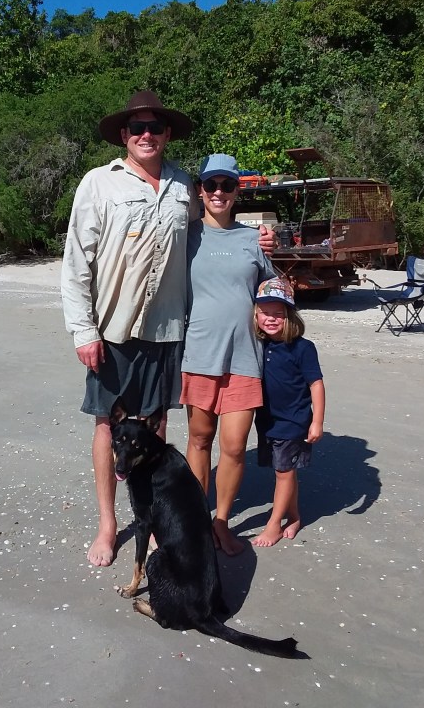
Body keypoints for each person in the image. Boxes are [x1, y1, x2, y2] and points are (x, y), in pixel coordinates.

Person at [61, 91, 275, 567]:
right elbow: (76, 262)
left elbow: (215, 225)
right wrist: (83, 330)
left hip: (168, 329)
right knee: (108, 424)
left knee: (156, 427)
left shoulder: (183, 186)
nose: (146, 135)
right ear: (124, 135)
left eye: (155, 127)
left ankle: (157, 519)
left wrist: (257, 235)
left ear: (167, 134)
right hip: (113, 326)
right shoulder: (99, 182)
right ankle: (108, 525)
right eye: (137, 127)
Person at [181, 153, 276, 556]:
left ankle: (220, 523)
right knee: (200, 439)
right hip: (199, 353)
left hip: (245, 356)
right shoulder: (184, 236)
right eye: (211, 185)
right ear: (200, 190)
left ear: (238, 191)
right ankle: (192, 522)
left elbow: (274, 289)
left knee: (235, 446)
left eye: (227, 185)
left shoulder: (253, 240)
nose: (219, 192)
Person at [251, 278, 326, 546]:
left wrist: (317, 422)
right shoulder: (259, 346)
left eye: (279, 314)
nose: (271, 319)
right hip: (267, 422)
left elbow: (316, 384)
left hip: (293, 421)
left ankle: (274, 524)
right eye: (265, 313)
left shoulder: (302, 347)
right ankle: (293, 516)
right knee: (284, 471)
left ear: (290, 316)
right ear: (256, 316)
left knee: (283, 473)